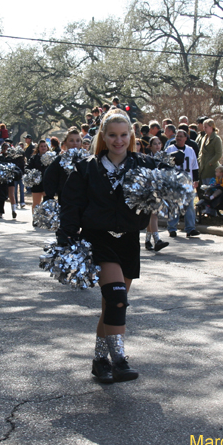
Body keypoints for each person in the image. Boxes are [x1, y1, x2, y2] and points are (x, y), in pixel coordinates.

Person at [58, 110, 162, 384]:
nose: (119, 140)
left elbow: (171, 188)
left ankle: (99, 360)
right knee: (117, 296)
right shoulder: (87, 168)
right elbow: (71, 204)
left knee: (111, 305)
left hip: (128, 240)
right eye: (113, 135)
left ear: (131, 136)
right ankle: (119, 359)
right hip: (98, 238)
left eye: (124, 135)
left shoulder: (146, 165)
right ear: (103, 137)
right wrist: (67, 236)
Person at [164, 130, 200, 238]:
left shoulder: (190, 150)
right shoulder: (170, 149)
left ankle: (190, 228)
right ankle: (172, 228)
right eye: (177, 136)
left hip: (187, 181)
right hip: (174, 181)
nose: (179, 138)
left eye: (181, 136)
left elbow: (195, 166)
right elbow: (164, 165)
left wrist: (196, 180)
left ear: (185, 138)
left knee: (189, 206)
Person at [144, 136, 169, 251]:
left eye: (159, 143)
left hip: (160, 189)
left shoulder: (164, 158)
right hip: (149, 189)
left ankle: (148, 240)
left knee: (153, 215)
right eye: (155, 144)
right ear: (150, 146)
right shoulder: (147, 159)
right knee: (153, 215)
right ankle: (157, 240)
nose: (158, 145)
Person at [27, 139, 52, 212]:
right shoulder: (34, 158)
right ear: (38, 148)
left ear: (47, 147)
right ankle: (35, 219)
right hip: (36, 184)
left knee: (47, 203)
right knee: (36, 203)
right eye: (41, 146)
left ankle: (45, 220)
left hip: (47, 184)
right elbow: (27, 167)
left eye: (45, 146)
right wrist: (31, 174)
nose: (43, 148)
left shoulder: (51, 157)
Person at [197, 119, 223, 185]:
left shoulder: (216, 139)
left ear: (211, 127)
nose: (204, 129)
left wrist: (210, 163)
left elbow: (219, 154)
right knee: (204, 189)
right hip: (203, 167)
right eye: (203, 127)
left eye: (206, 127)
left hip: (211, 169)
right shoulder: (204, 138)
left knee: (211, 188)